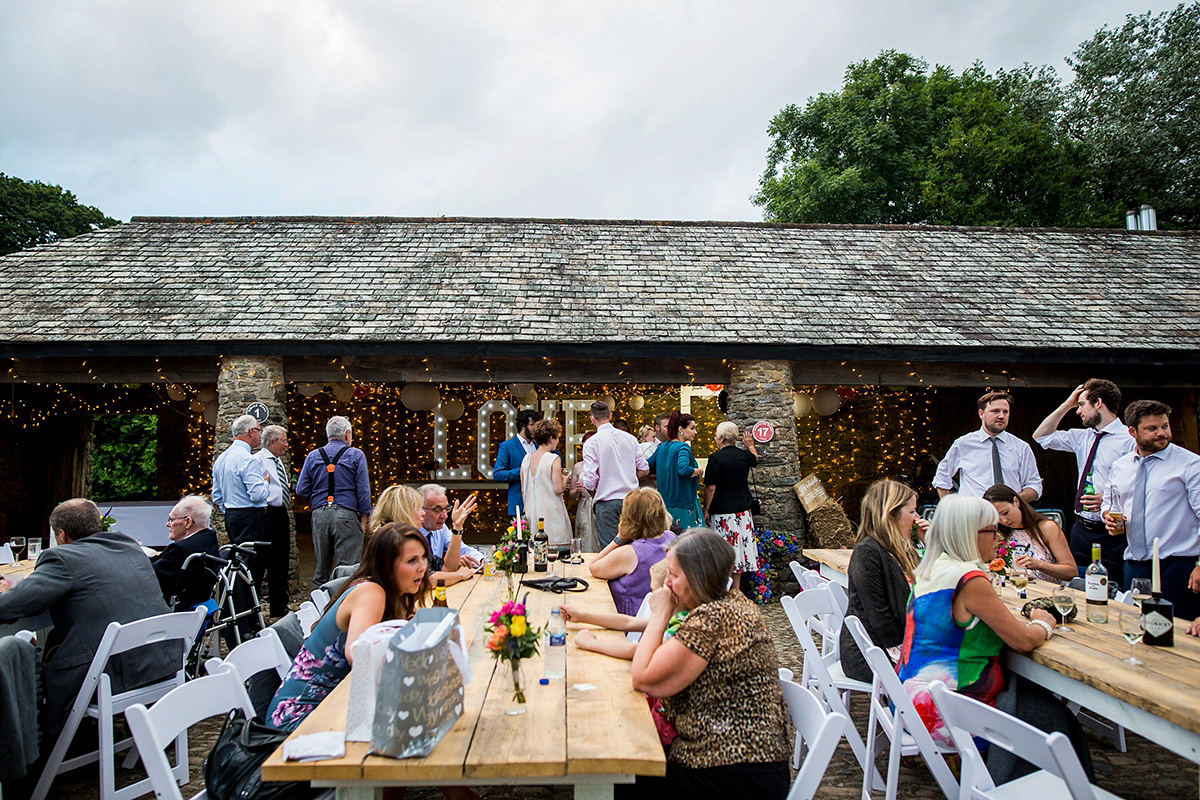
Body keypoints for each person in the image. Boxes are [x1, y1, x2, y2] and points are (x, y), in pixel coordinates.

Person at [897, 494, 1091, 783]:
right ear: (968, 534)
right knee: (1054, 717)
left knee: (1037, 703)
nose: (999, 537)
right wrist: (1043, 625)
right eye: (991, 530)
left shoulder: (932, 568)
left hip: (913, 699)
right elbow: (1023, 641)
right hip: (950, 712)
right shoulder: (969, 578)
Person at [625, 528, 789, 799]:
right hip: (749, 763)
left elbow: (643, 678)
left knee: (624, 773)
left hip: (732, 774)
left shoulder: (711, 620)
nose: (667, 584)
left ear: (697, 577)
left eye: (674, 576)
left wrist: (660, 615)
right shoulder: (732, 603)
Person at [0, 499, 178, 745]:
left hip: (111, 674)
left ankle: (38, 749)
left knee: (27, 673)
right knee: (54, 642)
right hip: (163, 662)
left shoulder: (62, 558)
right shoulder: (127, 545)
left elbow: (17, 603)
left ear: (61, 535)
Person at [266, 523, 430, 731]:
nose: (423, 567)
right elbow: (359, 653)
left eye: (424, 557)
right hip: (298, 720)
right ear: (387, 565)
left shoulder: (393, 594)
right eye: (412, 560)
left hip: (336, 707)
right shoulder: (371, 592)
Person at [1103, 399, 1200, 620]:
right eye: (1151, 429)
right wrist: (1107, 516)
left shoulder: (1190, 464)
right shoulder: (1121, 466)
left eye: (1164, 426)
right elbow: (1110, 502)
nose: (1161, 433)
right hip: (1134, 564)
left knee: (1178, 631)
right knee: (1135, 625)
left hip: (1178, 565)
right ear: (1132, 431)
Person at [1033, 379, 1135, 584]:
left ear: (1098, 403)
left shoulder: (1129, 440)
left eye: (1081, 405)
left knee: (1110, 586)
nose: (1078, 411)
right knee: (1076, 583)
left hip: (1111, 531)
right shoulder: (1083, 437)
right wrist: (1067, 404)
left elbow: (1136, 483)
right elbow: (1041, 436)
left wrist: (1108, 499)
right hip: (1080, 527)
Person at [837, 480, 923, 683]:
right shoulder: (868, 552)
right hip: (869, 654)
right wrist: (911, 656)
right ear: (891, 514)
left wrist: (928, 542)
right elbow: (880, 618)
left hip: (893, 645)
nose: (917, 518)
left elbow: (929, 587)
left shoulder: (902, 549)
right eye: (912, 512)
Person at [295, 415, 373, 590]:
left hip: (320, 514)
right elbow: (363, 489)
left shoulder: (314, 455)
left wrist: (317, 498)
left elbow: (301, 489)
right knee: (347, 569)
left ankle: (317, 609)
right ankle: (341, 610)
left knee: (321, 567)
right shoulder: (356, 454)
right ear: (347, 434)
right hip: (346, 514)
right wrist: (364, 516)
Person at [933, 391, 1042, 502]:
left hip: (1010, 516)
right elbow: (942, 478)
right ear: (981, 414)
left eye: (1005, 412)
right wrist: (951, 511)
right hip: (974, 514)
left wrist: (1014, 501)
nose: (1001, 416)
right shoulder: (963, 444)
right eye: (995, 411)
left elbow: (1034, 485)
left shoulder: (1021, 447)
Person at [589, 488, 677, 615]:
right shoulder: (671, 537)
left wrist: (619, 539)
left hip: (631, 623)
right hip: (662, 614)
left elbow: (594, 567)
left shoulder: (630, 553)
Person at [581, 401, 650, 547]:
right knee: (636, 549)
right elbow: (644, 468)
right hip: (632, 501)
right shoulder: (630, 438)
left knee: (611, 551)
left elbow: (590, 481)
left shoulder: (592, 443)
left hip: (607, 502)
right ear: (610, 416)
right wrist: (628, 476)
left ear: (592, 419)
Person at [703, 422, 760, 590]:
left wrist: (706, 509)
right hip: (743, 513)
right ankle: (736, 589)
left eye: (715, 436)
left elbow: (711, 487)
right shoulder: (743, 456)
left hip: (723, 513)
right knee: (740, 552)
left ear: (721, 438)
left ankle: (725, 590)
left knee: (724, 552)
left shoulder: (715, 458)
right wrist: (750, 446)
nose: (714, 439)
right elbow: (755, 460)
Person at [983, 483, 1076, 585]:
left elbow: (1071, 571)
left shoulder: (1046, 528)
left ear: (1016, 501)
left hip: (1047, 592)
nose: (1004, 520)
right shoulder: (999, 534)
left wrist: (1040, 565)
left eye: (1005, 513)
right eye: (997, 517)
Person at [211, 413, 269, 554]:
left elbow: (217, 496)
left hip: (231, 515)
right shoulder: (248, 459)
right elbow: (257, 495)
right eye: (259, 431)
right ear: (251, 432)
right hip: (250, 517)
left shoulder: (221, 459)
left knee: (238, 559)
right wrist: (265, 483)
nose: (260, 436)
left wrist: (231, 510)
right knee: (251, 562)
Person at [151, 495, 220, 608]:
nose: (167, 524)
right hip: (199, 607)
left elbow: (150, 577)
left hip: (175, 612)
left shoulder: (181, 549)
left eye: (171, 519)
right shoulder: (208, 541)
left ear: (187, 522)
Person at [254, 424, 293, 618]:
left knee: (281, 559)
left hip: (280, 512)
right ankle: (257, 608)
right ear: (272, 441)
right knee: (264, 560)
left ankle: (279, 605)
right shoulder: (258, 460)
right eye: (283, 440)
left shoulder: (278, 461)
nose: (286, 444)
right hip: (266, 514)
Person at [417, 483, 482, 586]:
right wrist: (460, 575)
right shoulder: (408, 536)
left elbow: (463, 550)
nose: (445, 516)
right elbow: (427, 579)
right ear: (420, 510)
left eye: (446, 509)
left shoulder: (440, 528)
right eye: (437, 510)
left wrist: (482, 561)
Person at [519, 419, 572, 545]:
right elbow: (558, 489)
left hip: (532, 512)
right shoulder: (553, 458)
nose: (558, 441)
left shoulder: (526, 459)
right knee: (556, 550)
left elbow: (523, 489)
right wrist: (565, 479)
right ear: (551, 438)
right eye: (557, 437)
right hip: (551, 513)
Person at [648, 411, 704, 529]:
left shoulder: (662, 447)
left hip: (665, 505)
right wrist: (698, 471)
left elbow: (647, 466)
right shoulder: (683, 447)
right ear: (680, 429)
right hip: (683, 505)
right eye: (692, 428)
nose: (695, 432)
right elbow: (683, 469)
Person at [493, 408, 541, 516]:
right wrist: (523, 470)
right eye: (532, 425)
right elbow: (498, 475)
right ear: (522, 425)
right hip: (519, 505)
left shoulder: (539, 446)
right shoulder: (507, 446)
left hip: (539, 505)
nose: (536, 429)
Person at [569, 431, 598, 552]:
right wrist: (577, 490)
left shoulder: (601, 463)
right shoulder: (578, 466)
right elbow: (571, 494)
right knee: (584, 537)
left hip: (598, 503)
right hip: (584, 506)